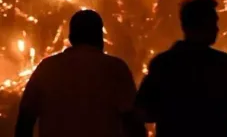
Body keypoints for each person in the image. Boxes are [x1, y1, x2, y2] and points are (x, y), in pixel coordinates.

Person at [14, 10, 145, 137]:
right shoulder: (115, 68)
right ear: (100, 37)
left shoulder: (47, 67)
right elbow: (132, 120)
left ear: (71, 38)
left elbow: (25, 119)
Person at [136, 0, 227, 137]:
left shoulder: (162, 64)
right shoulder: (222, 64)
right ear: (205, 25)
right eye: (214, 23)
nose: (217, 29)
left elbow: (144, 111)